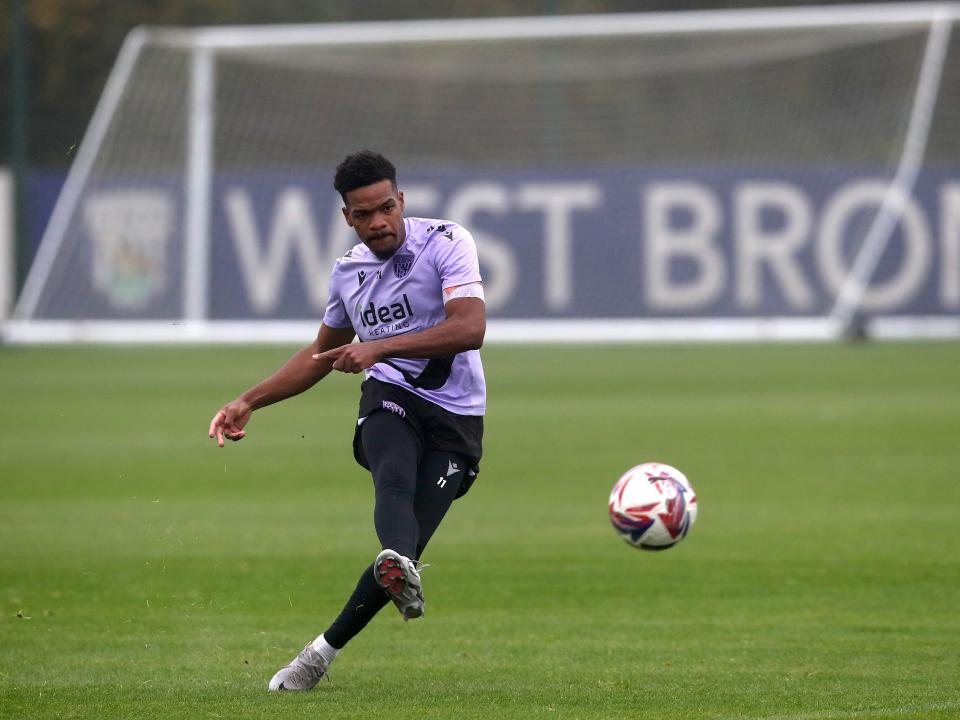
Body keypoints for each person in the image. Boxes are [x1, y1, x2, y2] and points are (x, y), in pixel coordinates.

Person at [208, 150, 486, 692]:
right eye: (364, 214)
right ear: (347, 218)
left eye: (386, 207)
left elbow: (470, 327)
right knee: (393, 477)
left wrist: (378, 346)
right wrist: (249, 400)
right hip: (391, 395)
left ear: (401, 200)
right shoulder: (348, 274)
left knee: (406, 552)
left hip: (458, 415)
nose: (378, 222)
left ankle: (322, 649)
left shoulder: (448, 242)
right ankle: (378, 583)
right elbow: (320, 354)